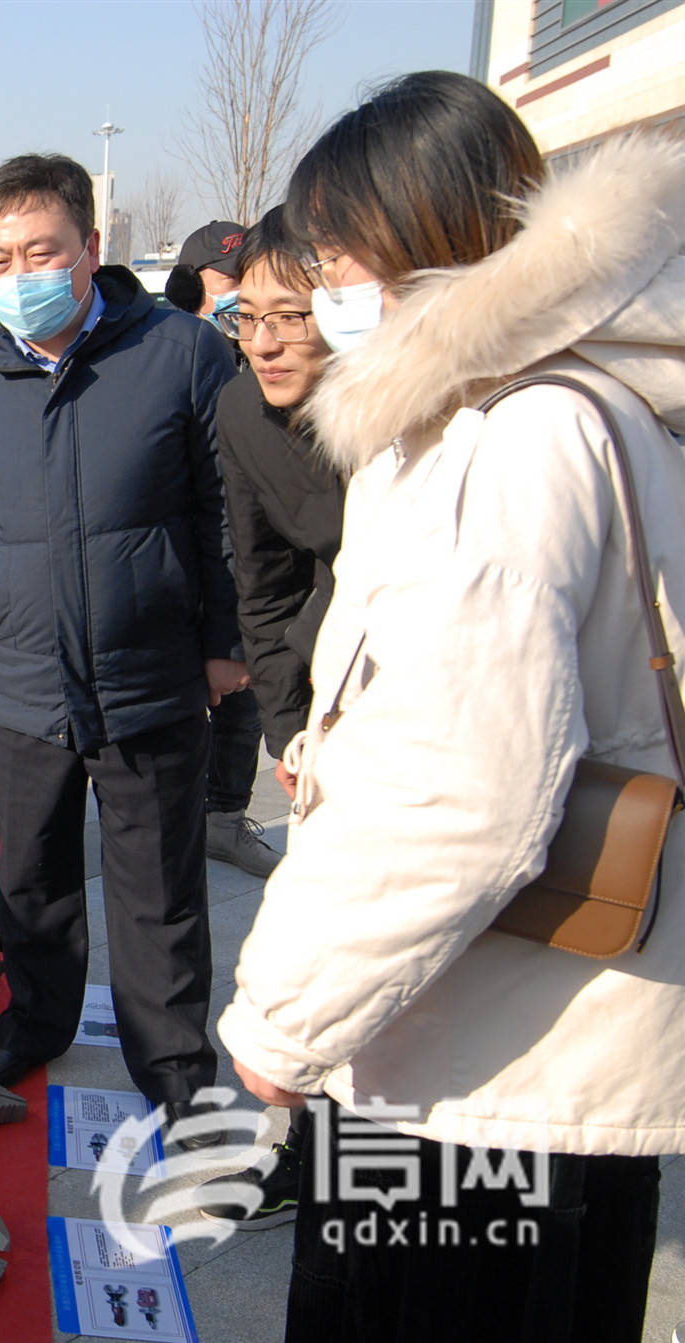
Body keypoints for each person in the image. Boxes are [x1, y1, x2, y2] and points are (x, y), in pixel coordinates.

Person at [218, 72, 685, 1341]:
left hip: (478, 1079)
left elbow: (462, 796)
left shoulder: (508, 440)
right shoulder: (611, 402)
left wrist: (279, 1020)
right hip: (560, 1050)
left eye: (333, 256)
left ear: (427, 240)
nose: (318, 295)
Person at [0, 154, 245, 1146]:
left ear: (89, 249)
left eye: (40, 251)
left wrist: (223, 644)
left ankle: (174, 1063)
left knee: (156, 888)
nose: (20, 273)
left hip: (149, 675)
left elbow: (221, 512)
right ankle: (35, 1021)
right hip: (15, 679)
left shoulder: (181, 353)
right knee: (32, 877)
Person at [195, 206, 345, 1231]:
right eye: (247, 316)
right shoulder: (245, 414)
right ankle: (300, 1149)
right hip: (323, 703)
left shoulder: (423, 418)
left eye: (291, 315)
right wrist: (287, 729)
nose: (265, 340)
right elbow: (261, 577)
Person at [170, 219, 280, 877]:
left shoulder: (256, 341)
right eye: (231, 282)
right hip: (197, 550)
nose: (244, 293)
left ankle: (221, 816)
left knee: (244, 694)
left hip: (249, 544)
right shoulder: (177, 349)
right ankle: (193, 815)